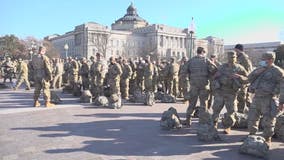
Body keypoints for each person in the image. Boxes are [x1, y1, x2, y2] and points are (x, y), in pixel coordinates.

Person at [247, 52, 284, 147]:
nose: (262, 61)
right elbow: (248, 79)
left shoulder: (278, 71)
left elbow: (282, 87)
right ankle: (251, 136)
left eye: (264, 59)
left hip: (269, 99)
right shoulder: (259, 69)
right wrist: (256, 72)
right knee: (252, 118)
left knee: (268, 120)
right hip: (256, 97)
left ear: (271, 60)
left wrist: (281, 102)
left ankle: (267, 139)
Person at [211, 51, 248, 134]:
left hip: (231, 93)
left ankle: (228, 127)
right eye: (230, 57)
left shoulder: (239, 68)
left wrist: (240, 77)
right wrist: (215, 76)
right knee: (216, 110)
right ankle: (214, 125)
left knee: (231, 112)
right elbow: (214, 77)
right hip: (220, 92)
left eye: (233, 57)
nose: (232, 59)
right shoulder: (222, 67)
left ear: (236, 57)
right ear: (227, 58)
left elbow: (248, 79)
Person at [184, 47, 217, 126]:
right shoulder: (206, 61)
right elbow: (214, 70)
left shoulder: (191, 61)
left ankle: (188, 119)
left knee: (192, 102)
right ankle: (203, 121)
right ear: (202, 52)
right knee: (203, 103)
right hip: (204, 85)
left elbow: (184, 71)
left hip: (194, 85)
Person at [234, 44, 253, 113]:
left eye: (235, 50)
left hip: (243, 82)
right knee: (246, 99)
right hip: (239, 81)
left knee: (241, 98)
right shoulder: (238, 57)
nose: (234, 51)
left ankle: (240, 113)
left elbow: (248, 72)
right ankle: (254, 111)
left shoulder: (244, 58)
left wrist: (243, 79)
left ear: (238, 49)